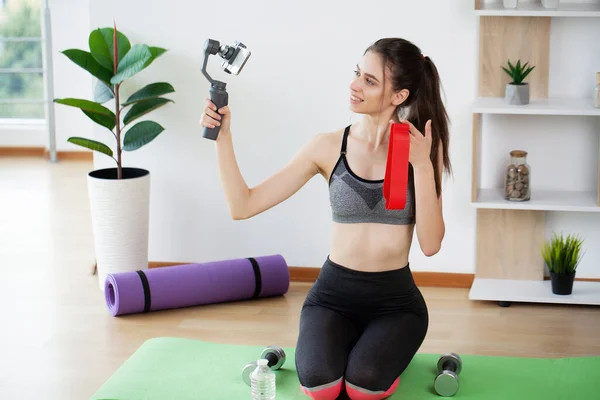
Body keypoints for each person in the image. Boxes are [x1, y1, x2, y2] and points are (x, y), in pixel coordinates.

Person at [200, 37, 451, 400]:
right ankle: (358, 348)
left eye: (369, 81)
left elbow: (430, 245)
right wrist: (224, 137)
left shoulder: (416, 148)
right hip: (333, 296)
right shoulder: (328, 146)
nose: (353, 85)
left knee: (363, 387)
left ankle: (377, 352)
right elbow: (243, 205)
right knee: (321, 387)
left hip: (396, 303)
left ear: (399, 96)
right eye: (357, 73)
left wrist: (423, 168)